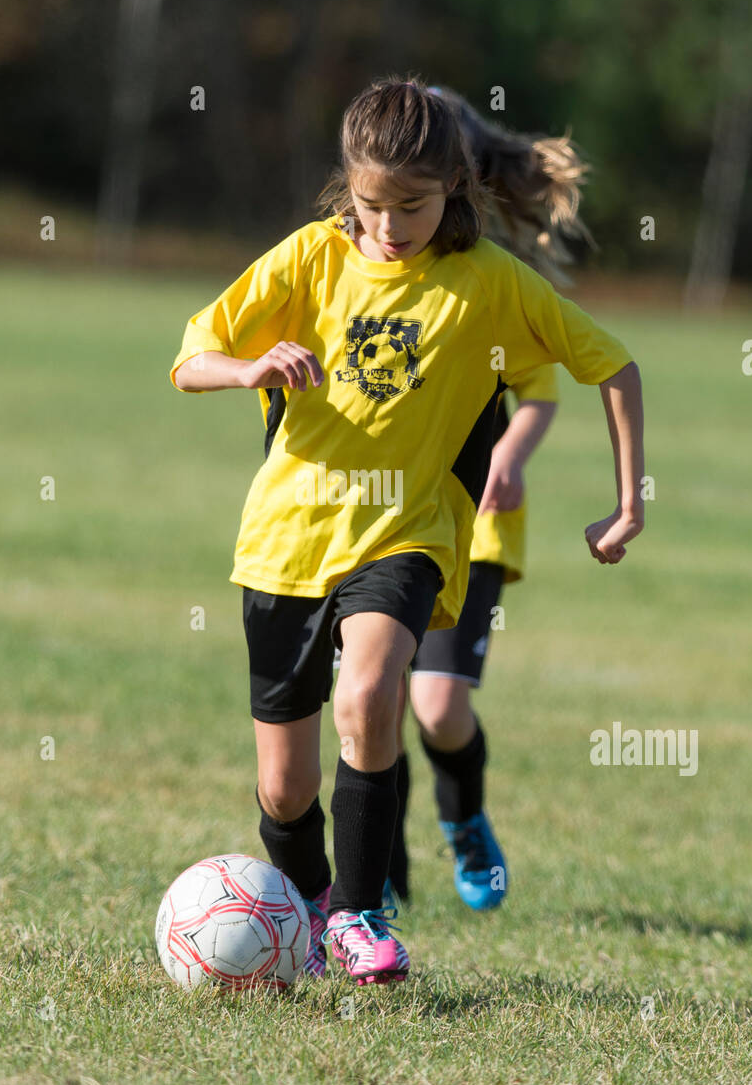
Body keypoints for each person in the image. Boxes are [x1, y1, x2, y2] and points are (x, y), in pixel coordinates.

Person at [169, 75, 645, 985]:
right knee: (283, 790)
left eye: (413, 207)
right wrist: (247, 367)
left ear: (455, 190)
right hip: (285, 541)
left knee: (374, 689)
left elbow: (611, 364)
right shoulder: (309, 258)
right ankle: (310, 906)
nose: (389, 227)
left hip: (407, 536)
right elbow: (190, 356)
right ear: (346, 188)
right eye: (371, 205)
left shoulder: (489, 283)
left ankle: (357, 910)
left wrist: (627, 504)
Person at [387, 87, 591, 911]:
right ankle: (378, 875)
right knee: (370, 703)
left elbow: (538, 391)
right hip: (377, 518)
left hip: (472, 526)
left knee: (435, 708)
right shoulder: (368, 264)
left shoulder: (496, 283)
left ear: (461, 180)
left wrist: (508, 455)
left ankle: (464, 816)